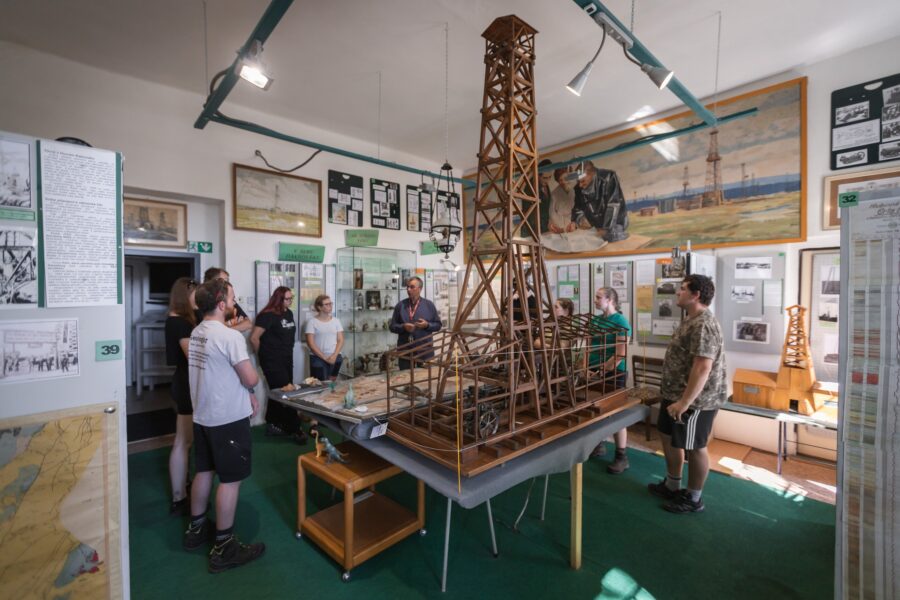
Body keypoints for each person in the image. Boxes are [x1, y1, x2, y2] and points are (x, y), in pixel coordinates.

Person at [184, 278, 265, 572]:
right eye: (231, 298)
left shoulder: (197, 333)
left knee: (204, 470)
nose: (234, 302)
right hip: (227, 417)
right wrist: (252, 384)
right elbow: (251, 378)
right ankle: (224, 546)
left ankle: (196, 529)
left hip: (203, 415)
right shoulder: (229, 337)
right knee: (230, 480)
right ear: (221, 304)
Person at [648, 274, 726, 514]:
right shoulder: (690, 319)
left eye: (682, 289)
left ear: (696, 295)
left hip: (696, 401)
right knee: (667, 435)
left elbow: (703, 367)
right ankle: (673, 485)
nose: (677, 293)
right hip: (675, 394)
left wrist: (684, 402)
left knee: (695, 446)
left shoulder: (704, 323)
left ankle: (693, 498)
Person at [249, 286, 307, 444]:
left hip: (287, 358)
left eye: (291, 298)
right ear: (278, 298)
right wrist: (264, 357)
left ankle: (273, 423)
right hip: (272, 361)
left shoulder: (288, 313)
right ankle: (295, 428)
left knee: (277, 392)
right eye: (287, 299)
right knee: (286, 392)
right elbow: (254, 338)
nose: (290, 301)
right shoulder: (267, 315)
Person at [587, 287, 632, 473]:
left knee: (616, 415)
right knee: (595, 410)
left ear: (610, 300)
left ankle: (621, 456)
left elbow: (620, 354)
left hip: (614, 374)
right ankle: (598, 444)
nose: (595, 300)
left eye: (598, 297)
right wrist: (586, 367)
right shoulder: (595, 320)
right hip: (593, 371)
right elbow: (588, 347)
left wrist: (601, 371)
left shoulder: (621, 321)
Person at [164, 276, 197, 516]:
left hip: (185, 382)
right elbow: (193, 356)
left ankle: (182, 490)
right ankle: (179, 497)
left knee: (185, 441)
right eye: (195, 295)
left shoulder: (178, 321)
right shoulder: (180, 324)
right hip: (186, 383)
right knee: (183, 442)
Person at [389, 276, 441, 369]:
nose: (408, 289)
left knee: (425, 379)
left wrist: (427, 325)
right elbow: (392, 326)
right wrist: (403, 327)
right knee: (406, 379)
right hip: (405, 350)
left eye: (412, 287)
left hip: (425, 350)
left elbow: (438, 325)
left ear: (420, 289)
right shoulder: (400, 305)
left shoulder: (429, 305)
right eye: (407, 287)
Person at [570, 161, 629, 243]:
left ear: (592, 174)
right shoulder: (578, 187)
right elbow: (578, 208)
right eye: (578, 181)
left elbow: (613, 204)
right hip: (595, 228)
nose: (580, 185)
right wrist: (575, 222)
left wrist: (606, 229)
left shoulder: (609, 177)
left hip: (615, 224)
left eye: (582, 181)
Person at [305, 294, 344, 382]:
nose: (330, 306)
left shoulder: (336, 321)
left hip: (335, 357)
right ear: (319, 307)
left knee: (331, 384)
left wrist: (334, 356)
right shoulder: (312, 322)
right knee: (319, 385)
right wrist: (325, 358)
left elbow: (340, 340)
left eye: (331, 303)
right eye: (327, 304)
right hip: (318, 358)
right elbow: (311, 344)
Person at [203, 267, 252, 332]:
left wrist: (227, 331)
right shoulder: (201, 302)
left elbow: (248, 324)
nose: (228, 283)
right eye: (225, 280)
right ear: (214, 282)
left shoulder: (230, 301)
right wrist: (233, 325)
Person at [548, 167, 576, 234]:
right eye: (560, 180)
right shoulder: (554, 194)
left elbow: (577, 210)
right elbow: (552, 214)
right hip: (558, 226)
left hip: (573, 225)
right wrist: (561, 228)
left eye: (565, 178)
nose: (563, 182)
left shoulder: (575, 191)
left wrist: (574, 223)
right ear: (557, 180)